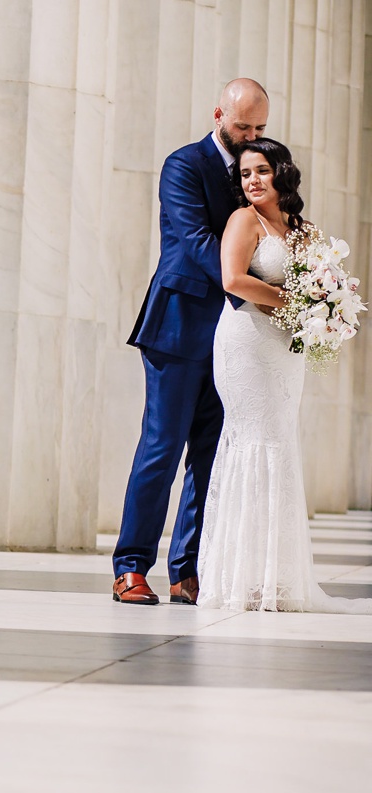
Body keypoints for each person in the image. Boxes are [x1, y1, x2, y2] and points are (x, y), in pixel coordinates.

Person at [197, 138, 372, 613]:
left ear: (281, 174)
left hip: (287, 349)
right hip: (246, 342)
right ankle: (237, 578)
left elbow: (323, 283)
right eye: (246, 173)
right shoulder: (242, 221)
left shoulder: (305, 230)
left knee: (281, 444)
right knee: (252, 441)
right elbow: (233, 280)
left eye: (261, 171)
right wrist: (298, 303)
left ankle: (274, 577)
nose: (252, 180)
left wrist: (327, 309)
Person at [113, 78, 269, 606]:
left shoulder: (258, 172)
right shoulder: (183, 164)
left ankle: (188, 571)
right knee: (161, 447)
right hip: (178, 327)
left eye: (259, 128)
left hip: (234, 337)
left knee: (210, 456)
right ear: (219, 113)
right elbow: (194, 239)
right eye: (243, 125)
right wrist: (253, 283)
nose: (250, 135)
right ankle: (131, 567)